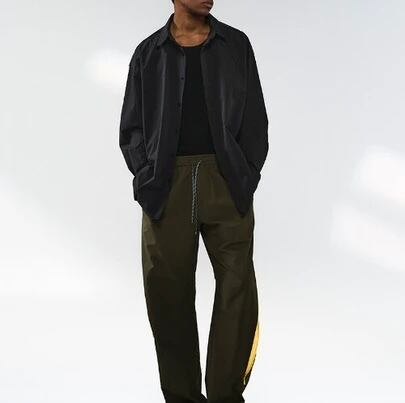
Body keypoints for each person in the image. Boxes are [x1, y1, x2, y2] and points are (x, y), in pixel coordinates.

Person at [119, 1, 269, 402]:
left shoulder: (236, 46)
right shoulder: (148, 54)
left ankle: (225, 395)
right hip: (166, 185)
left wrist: (245, 173)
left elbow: (255, 118)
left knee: (238, 287)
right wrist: (148, 177)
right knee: (167, 294)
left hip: (227, 180)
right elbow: (131, 128)